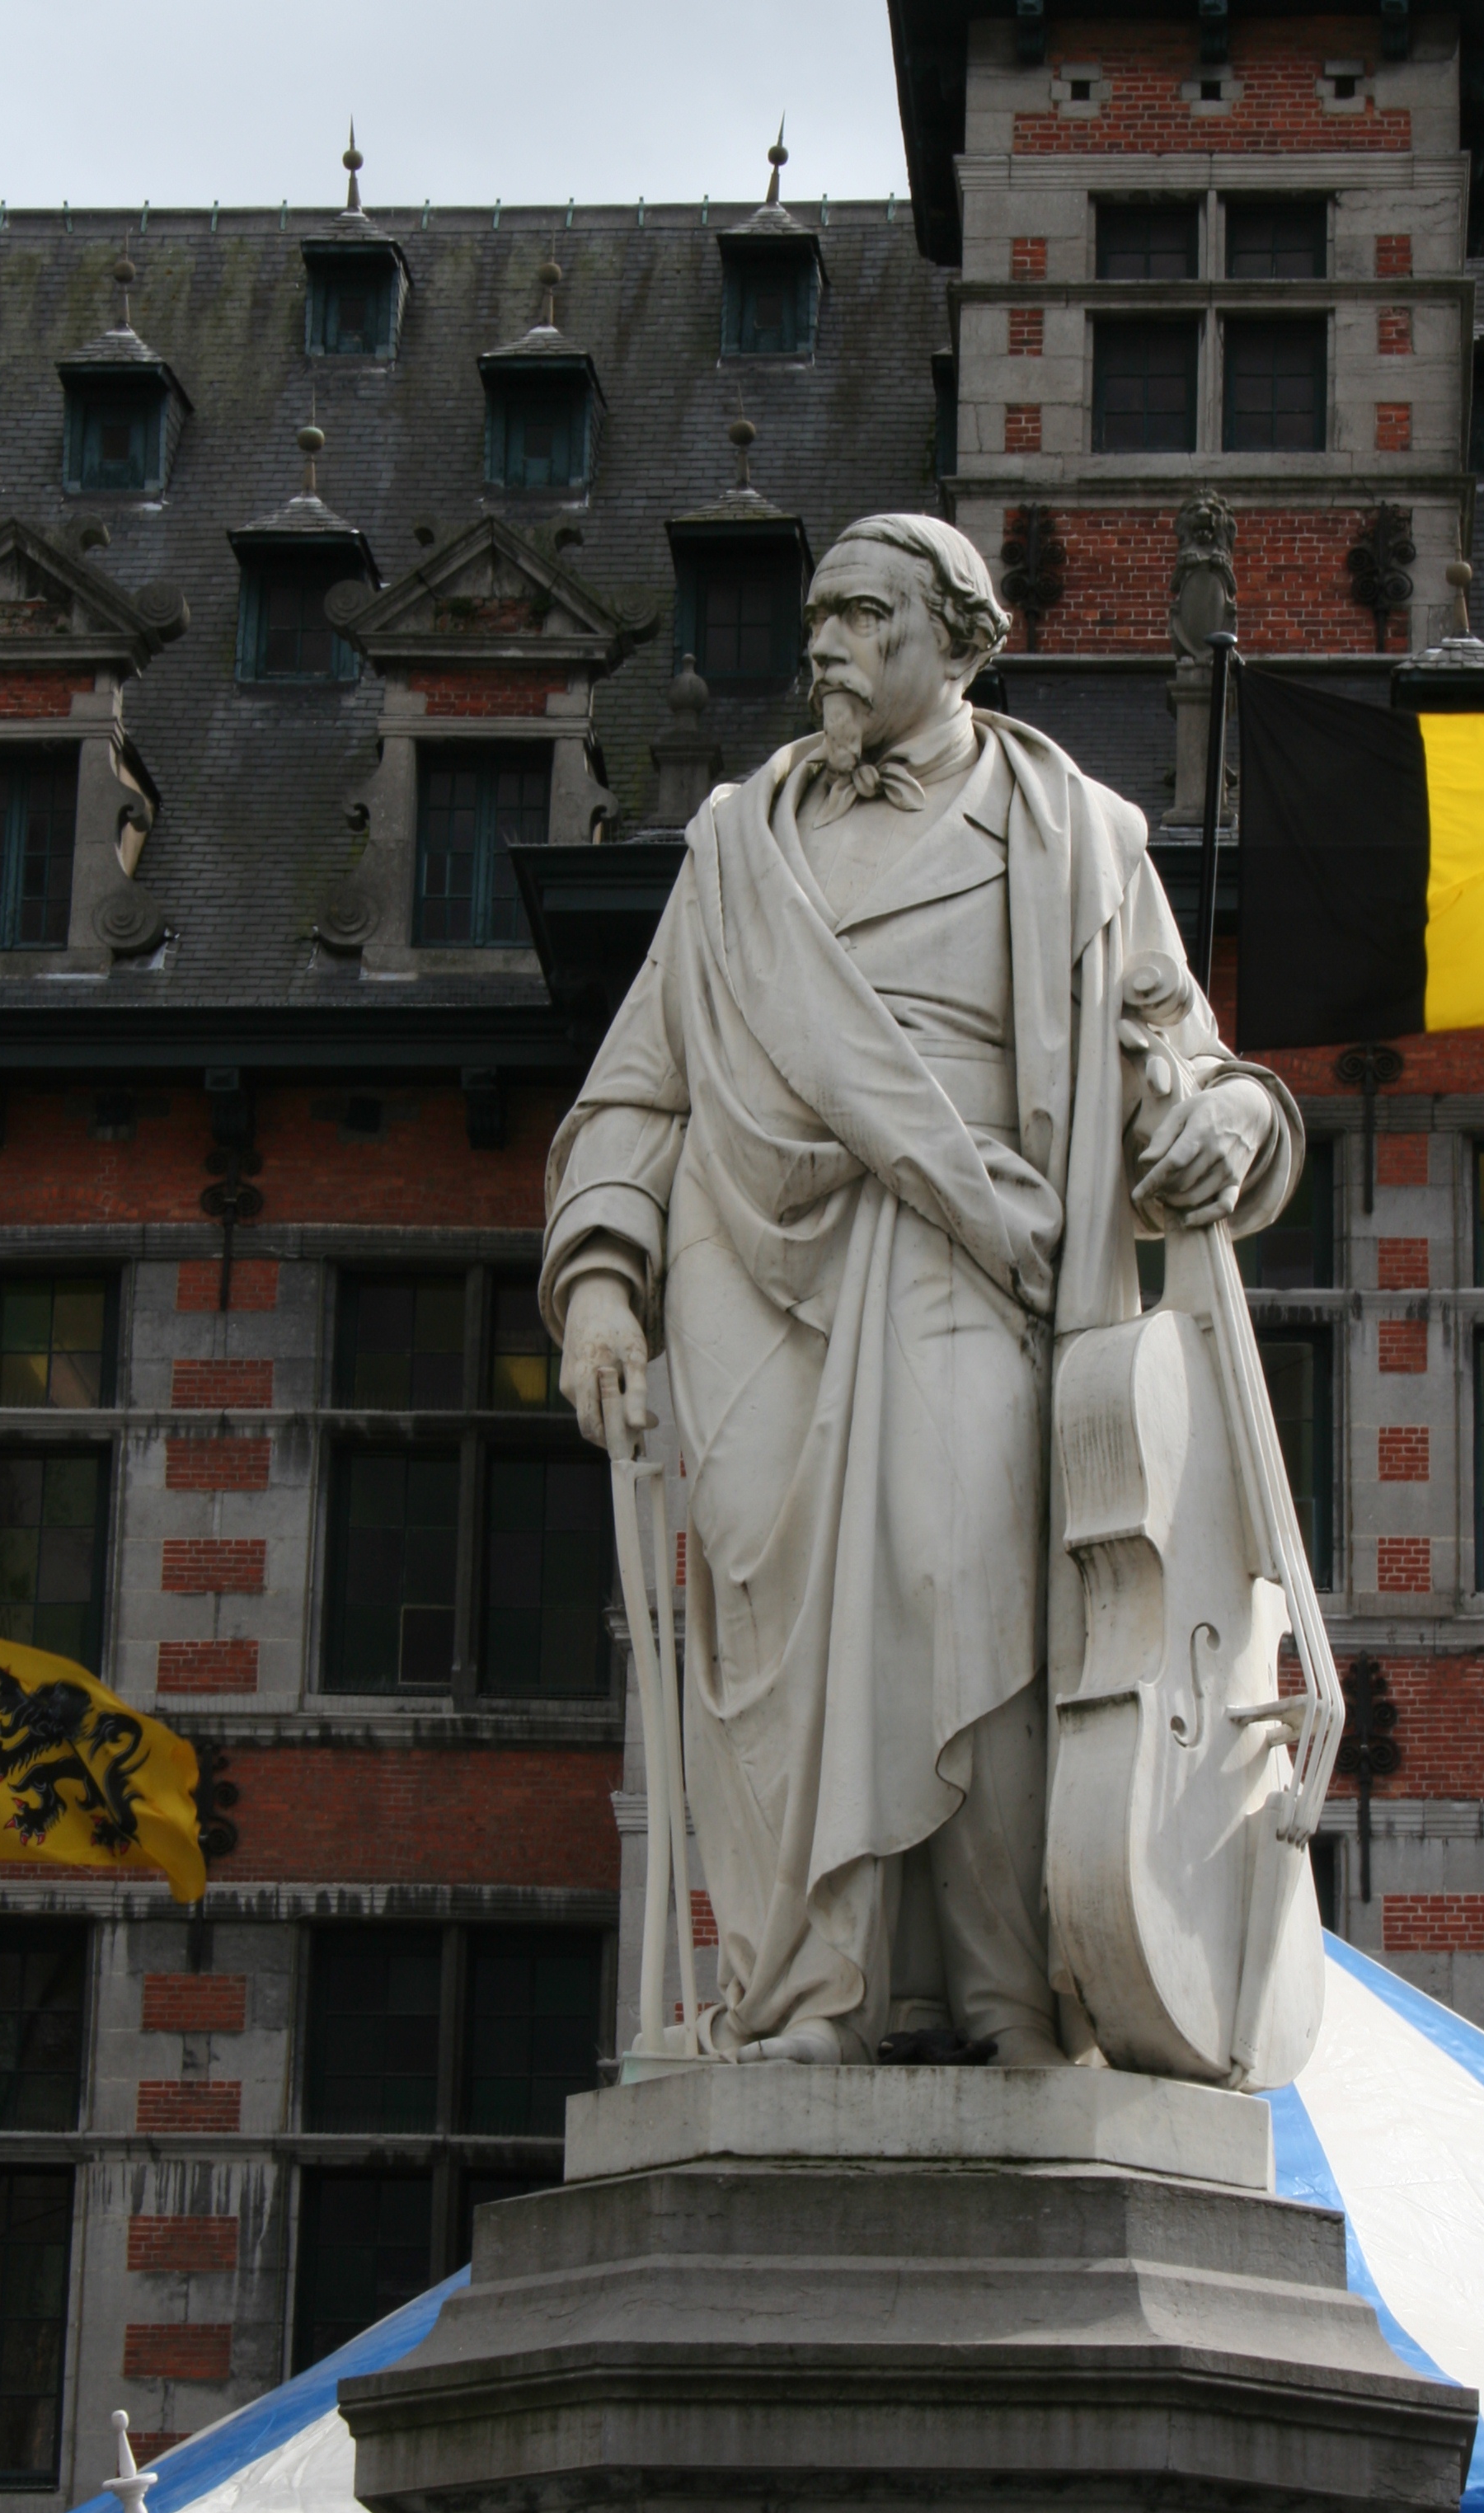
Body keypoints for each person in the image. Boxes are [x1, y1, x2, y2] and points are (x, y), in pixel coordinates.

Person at [539, 514, 1300, 2065]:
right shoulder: (739, 850)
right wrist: (606, 1280)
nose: (823, 641)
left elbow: (1186, 1062)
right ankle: (809, 1999)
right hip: (750, 1271)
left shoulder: (1076, 835)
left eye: (863, 614)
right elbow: (638, 1092)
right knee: (772, 1650)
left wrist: (1232, 1123)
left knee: (968, 1592)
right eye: (817, 614)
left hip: (975, 1245)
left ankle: (1008, 1996)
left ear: (959, 638)